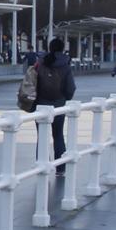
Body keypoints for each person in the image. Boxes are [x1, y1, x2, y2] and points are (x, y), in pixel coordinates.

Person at [32, 37, 76, 176]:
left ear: (49, 47)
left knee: (42, 136)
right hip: (58, 104)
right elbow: (70, 88)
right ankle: (60, 168)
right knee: (58, 135)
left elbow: (33, 82)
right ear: (63, 48)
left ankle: (42, 165)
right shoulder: (66, 65)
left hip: (41, 105)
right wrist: (64, 98)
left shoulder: (40, 62)